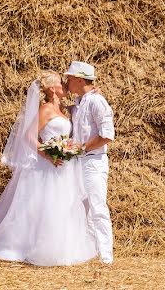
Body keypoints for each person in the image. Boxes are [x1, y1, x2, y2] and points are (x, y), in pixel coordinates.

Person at [0, 71, 97, 266]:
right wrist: (48, 154)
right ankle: (28, 246)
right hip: (47, 166)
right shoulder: (46, 109)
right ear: (51, 88)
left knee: (63, 205)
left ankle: (62, 245)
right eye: (60, 82)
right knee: (44, 206)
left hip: (64, 166)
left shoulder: (65, 109)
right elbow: (29, 137)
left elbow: (82, 109)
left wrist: (91, 93)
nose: (65, 84)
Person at [63, 61, 115, 265]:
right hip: (79, 162)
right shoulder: (79, 102)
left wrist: (82, 148)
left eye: (69, 78)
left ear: (79, 79)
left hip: (93, 162)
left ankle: (105, 256)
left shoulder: (97, 102)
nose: (67, 82)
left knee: (97, 207)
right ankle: (90, 251)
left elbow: (107, 135)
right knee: (83, 208)